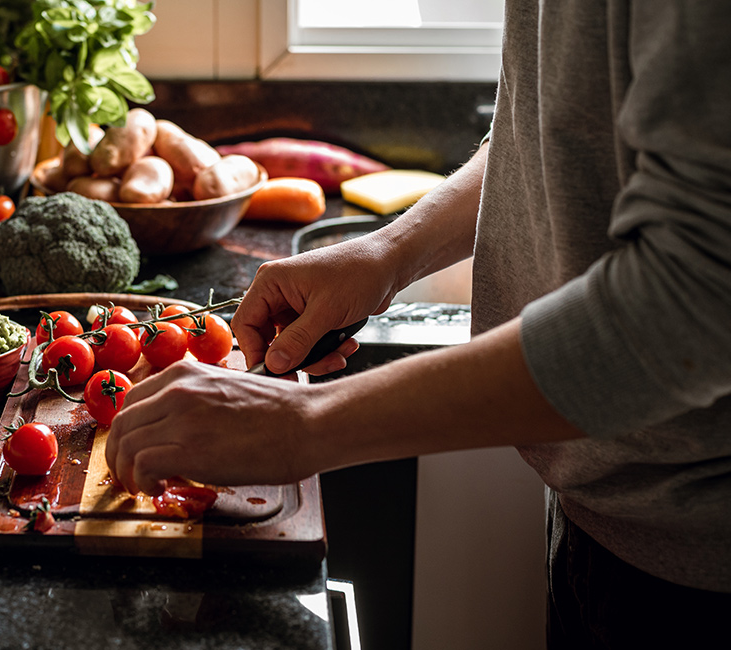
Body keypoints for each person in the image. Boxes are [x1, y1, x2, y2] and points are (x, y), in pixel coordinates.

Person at [106, 1, 731, 646]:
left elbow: (695, 299)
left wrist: (309, 422)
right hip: (606, 510)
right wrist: (389, 252)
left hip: (696, 577)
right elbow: (553, 134)